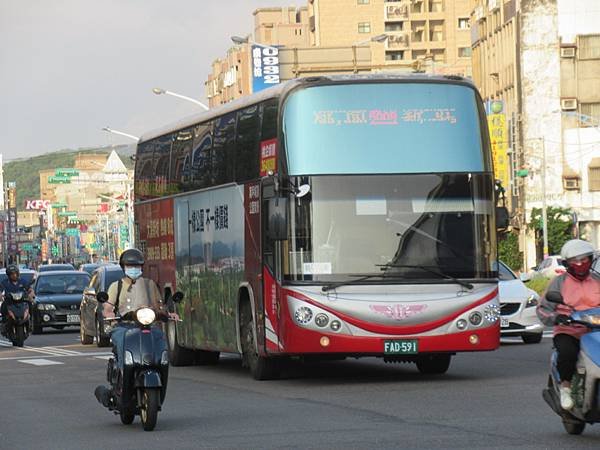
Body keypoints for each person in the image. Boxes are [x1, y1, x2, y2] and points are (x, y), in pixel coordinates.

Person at [95, 248, 177, 407]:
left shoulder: (149, 285)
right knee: (120, 340)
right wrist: (109, 314)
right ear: (124, 267)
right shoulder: (116, 286)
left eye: (138, 266)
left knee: (159, 338)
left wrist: (168, 314)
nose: (134, 269)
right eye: (130, 266)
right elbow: (108, 307)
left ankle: (158, 365)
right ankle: (120, 378)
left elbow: (159, 305)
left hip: (147, 324)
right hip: (124, 327)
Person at [537, 239, 600, 411]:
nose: (580, 264)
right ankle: (565, 387)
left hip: (595, 330)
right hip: (569, 330)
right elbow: (542, 309)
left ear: (591, 260)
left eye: (584, 260)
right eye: (575, 261)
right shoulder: (558, 283)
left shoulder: (597, 280)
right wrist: (556, 317)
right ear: (567, 263)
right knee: (567, 352)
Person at [1, 264, 34, 333]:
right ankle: (4, 324)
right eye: (11, 274)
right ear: (8, 275)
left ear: (18, 273)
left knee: (30, 305)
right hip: (10, 301)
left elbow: (30, 289)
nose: (14, 275)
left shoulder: (22, 281)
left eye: (15, 273)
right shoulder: (5, 282)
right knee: (3, 307)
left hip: (22, 301)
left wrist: (31, 295)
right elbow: (0, 290)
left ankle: (31, 322)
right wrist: (1, 295)